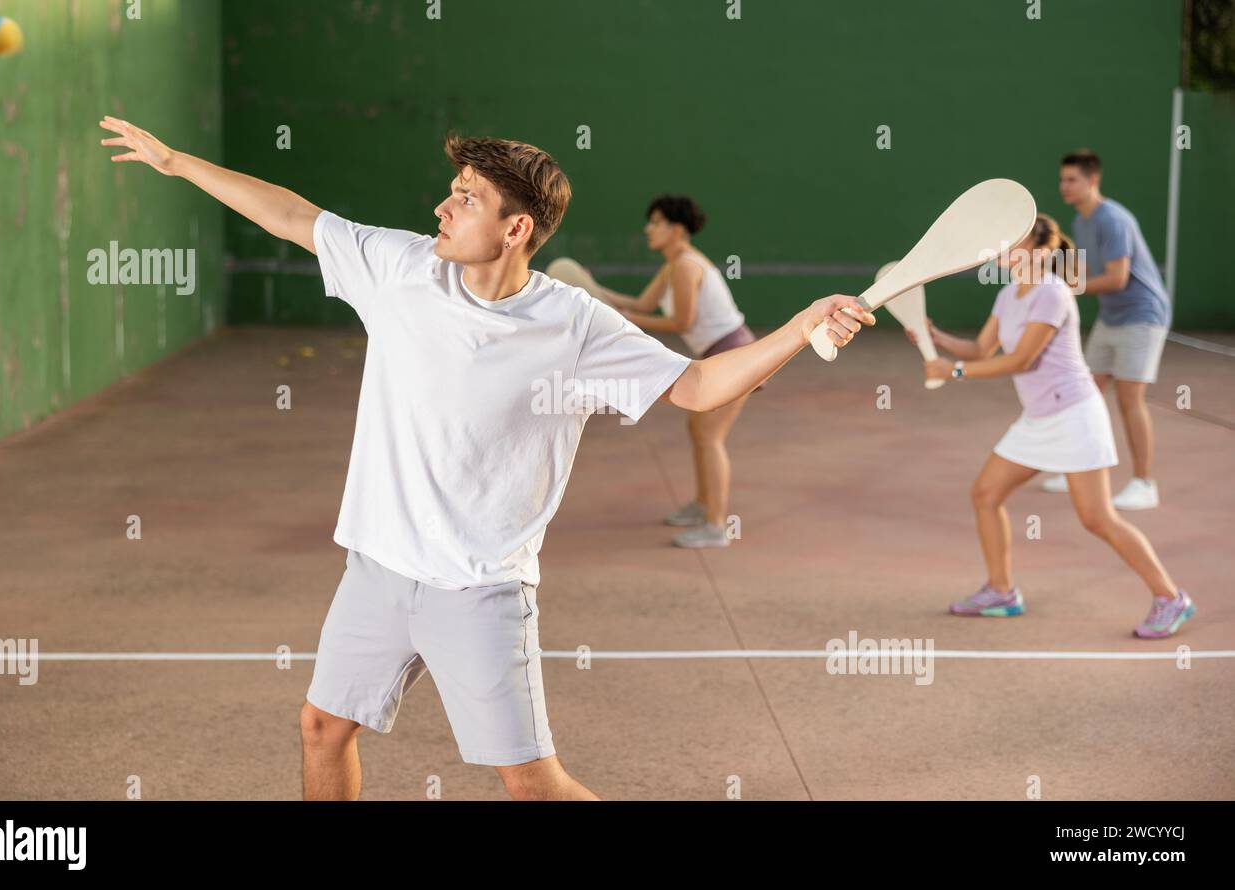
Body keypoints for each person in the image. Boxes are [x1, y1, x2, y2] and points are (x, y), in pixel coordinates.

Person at [98, 116, 875, 799]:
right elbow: (295, 217)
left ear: (515, 229)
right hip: (378, 567)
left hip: (480, 586)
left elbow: (700, 384)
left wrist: (802, 325)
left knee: (531, 784)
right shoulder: (400, 267)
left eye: (466, 197)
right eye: (452, 187)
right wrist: (178, 163)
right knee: (321, 727)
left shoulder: (573, 326)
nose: (442, 204)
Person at [911, 213, 1196, 639]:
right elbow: (980, 348)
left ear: (1042, 251)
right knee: (986, 494)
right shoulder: (1009, 294)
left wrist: (951, 372)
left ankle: (1170, 597)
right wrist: (932, 336)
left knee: (1097, 518)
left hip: (1075, 416)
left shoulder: (1052, 293)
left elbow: (1020, 360)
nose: (1005, 252)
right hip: (1038, 418)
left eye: (1015, 245)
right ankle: (1002, 592)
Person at [587, 195, 756, 548]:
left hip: (734, 352)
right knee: (699, 430)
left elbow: (682, 321)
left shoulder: (685, 266)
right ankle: (702, 505)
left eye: (657, 222)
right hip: (718, 352)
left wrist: (625, 321)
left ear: (676, 230)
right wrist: (590, 290)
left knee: (710, 436)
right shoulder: (672, 263)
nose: (649, 228)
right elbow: (643, 304)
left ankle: (715, 526)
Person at [1040, 150, 1172, 510]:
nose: (1064, 186)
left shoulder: (1112, 219)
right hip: (1111, 317)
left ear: (1093, 180)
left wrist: (1067, 288)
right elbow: (1082, 277)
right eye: (1062, 179)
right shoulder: (1081, 222)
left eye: (1072, 180)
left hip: (1143, 317)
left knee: (1130, 400)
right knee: (1085, 393)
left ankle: (1144, 483)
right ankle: (1079, 471)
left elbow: (1117, 278)